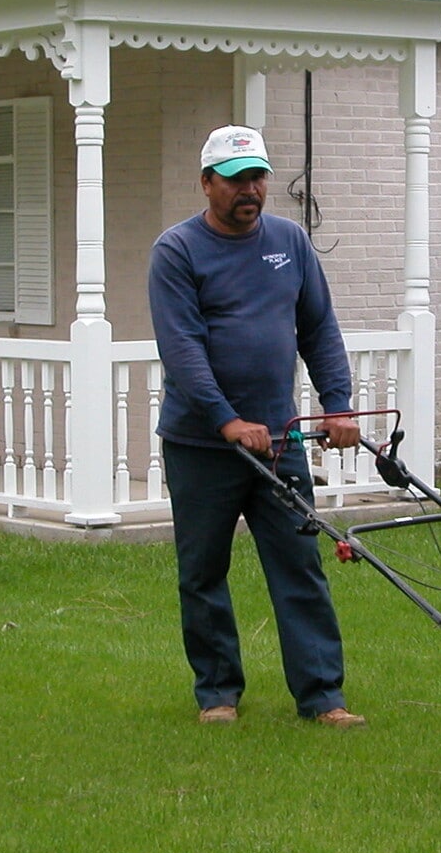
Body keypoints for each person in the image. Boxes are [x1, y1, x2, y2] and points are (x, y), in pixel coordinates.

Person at [148, 125, 366, 727]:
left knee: (300, 564)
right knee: (203, 570)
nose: (252, 190)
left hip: (281, 441)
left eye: (259, 176)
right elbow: (182, 349)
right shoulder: (177, 251)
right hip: (201, 445)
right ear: (207, 183)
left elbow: (319, 329)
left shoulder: (290, 242)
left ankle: (323, 697)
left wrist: (338, 404)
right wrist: (227, 421)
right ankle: (217, 692)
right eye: (238, 179)